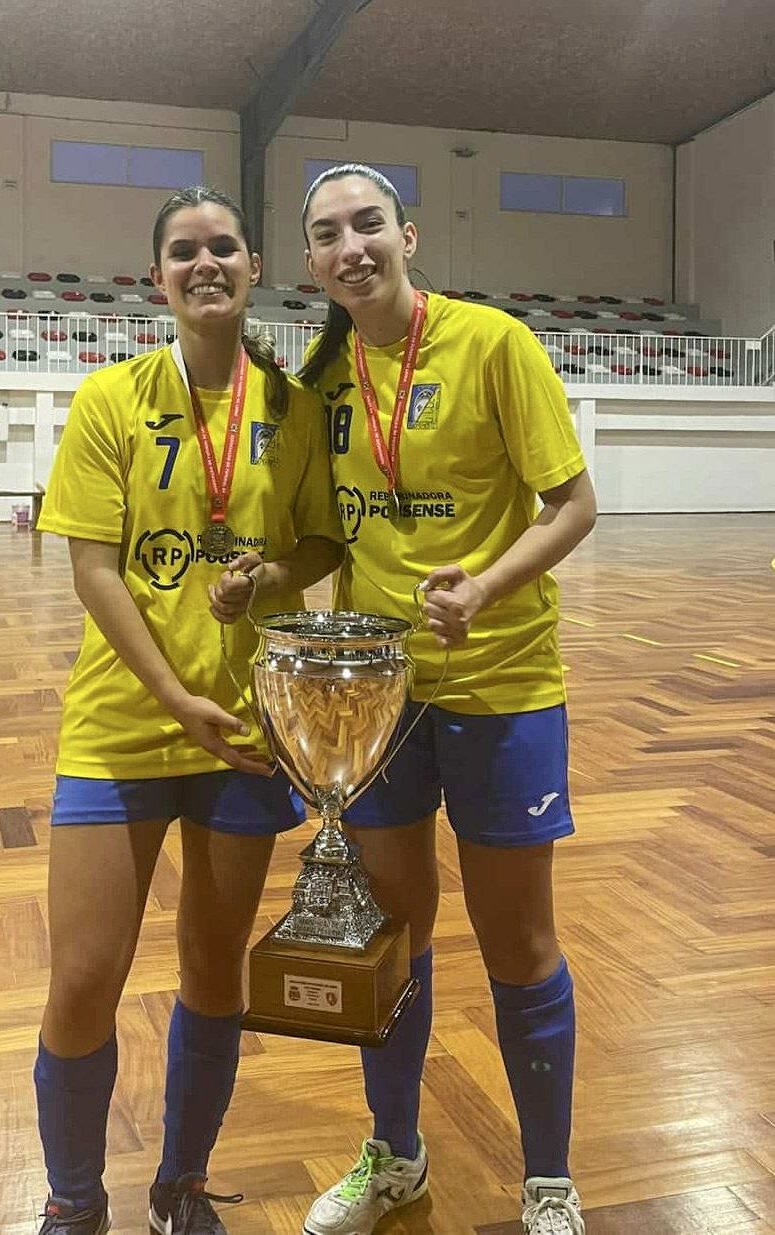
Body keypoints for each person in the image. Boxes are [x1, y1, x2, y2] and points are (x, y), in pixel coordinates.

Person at [33, 185, 344, 1235]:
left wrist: (270, 576)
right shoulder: (111, 399)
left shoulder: (294, 413)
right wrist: (171, 692)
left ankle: (180, 1184)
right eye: (183, 251)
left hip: (245, 734)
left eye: (222, 248)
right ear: (156, 278)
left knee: (214, 968)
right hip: (122, 724)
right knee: (82, 976)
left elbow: (322, 545)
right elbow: (91, 567)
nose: (204, 263)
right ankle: (74, 1201)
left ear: (255, 267)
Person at [297, 163, 597, 1235]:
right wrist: (288, 607)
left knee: (517, 940)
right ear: (311, 261)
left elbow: (572, 504)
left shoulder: (493, 343)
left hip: (502, 681)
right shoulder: (323, 378)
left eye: (368, 224)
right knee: (395, 936)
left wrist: (485, 585)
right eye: (328, 234)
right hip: (381, 698)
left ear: (408, 235)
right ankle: (397, 1156)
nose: (352, 247)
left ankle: (548, 1177)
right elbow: (331, 535)